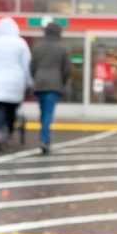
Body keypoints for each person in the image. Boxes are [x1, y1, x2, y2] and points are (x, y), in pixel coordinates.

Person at [0, 17, 31, 144]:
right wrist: (29, 82)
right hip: (15, 81)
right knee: (12, 107)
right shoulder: (21, 43)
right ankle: (10, 130)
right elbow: (26, 65)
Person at [30, 22, 71, 154]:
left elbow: (32, 66)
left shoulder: (38, 47)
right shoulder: (63, 48)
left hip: (40, 83)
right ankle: (44, 139)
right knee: (48, 113)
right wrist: (63, 82)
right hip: (54, 84)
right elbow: (67, 70)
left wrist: (36, 78)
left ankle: (44, 137)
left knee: (43, 112)